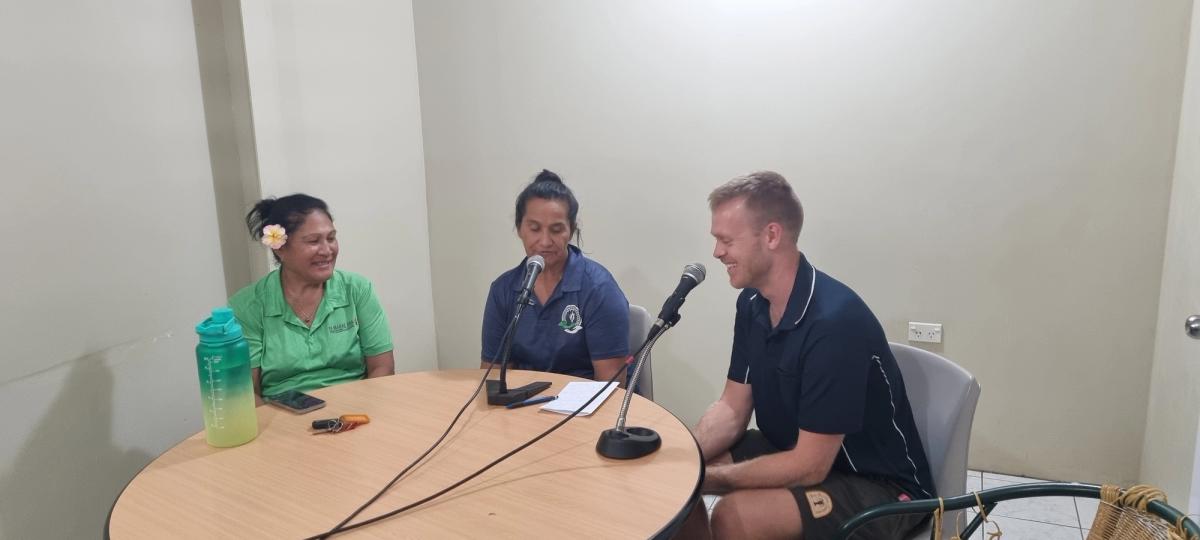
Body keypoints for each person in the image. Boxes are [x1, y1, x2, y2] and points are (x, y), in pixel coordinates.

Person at [678, 171, 934, 539]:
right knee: (677, 486)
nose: (717, 252)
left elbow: (810, 466)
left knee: (738, 517)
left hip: (879, 485)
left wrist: (710, 478)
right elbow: (733, 408)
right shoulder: (752, 303)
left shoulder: (834, 323)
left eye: (726, 240)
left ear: (771, 235)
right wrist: (687, 459)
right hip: (795, 447)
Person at [229, 194, 395, 404]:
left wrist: (360, 412)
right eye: (313, 241)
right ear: (279, 248)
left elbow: (383, 367)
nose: (327, 251)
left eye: (331, 238)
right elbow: (246, 392)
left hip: (355, 411)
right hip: (283, 419)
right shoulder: (248, 306)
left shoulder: (357, 289)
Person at [480, 170, 631, 384]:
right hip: (523, 405)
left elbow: (610, 385)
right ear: (519, 229)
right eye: (534, 229)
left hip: (585, 408)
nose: (544, 241)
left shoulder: (598, 288)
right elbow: (493, 376)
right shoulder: (503, 289)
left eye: (556, 229)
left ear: (571, 230)